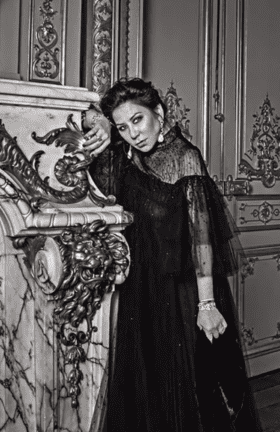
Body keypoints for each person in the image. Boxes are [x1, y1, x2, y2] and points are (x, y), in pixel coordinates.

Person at [81, 77, 261, 431]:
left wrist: (206, 306)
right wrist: (100, 122)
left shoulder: (185, 158)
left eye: (138, 120)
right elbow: (85, 117)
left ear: (159, 113)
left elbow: (202, 237)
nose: (133, 133)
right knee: (148, 387)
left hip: (185, 291)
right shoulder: (124, 155)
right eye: (123, 126)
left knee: (192, 389)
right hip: (141, 291)